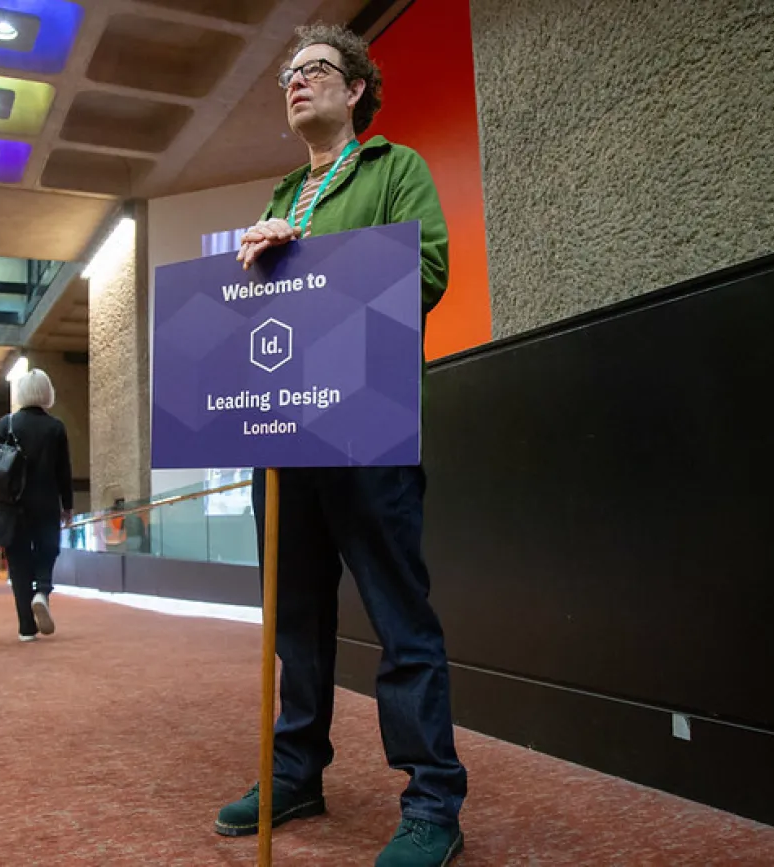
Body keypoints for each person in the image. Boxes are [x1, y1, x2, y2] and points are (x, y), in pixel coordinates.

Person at [213, 24, 467, 867]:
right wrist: (247, 277)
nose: (294, 83)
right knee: (296, 625)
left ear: (355, 88)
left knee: (401, 620)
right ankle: (296, 772)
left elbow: (427, 271)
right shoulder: (282, 191)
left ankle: (433, 800)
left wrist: (308, 254)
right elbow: (261, 319)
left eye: (313, 69)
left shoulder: (397, 169)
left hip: (368, 426)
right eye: (287, 75)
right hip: (285, 442)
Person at [0, 368, 73, 642]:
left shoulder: (6, 424)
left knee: (18, 562)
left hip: (13, 504)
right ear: (47, 393)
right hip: (46, 502)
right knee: (48, 549)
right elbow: (64, 471)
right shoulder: (56, 427)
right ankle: (43, 591)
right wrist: (67, 505)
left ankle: (26, 627)